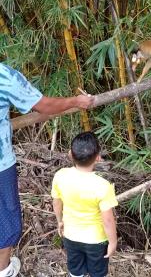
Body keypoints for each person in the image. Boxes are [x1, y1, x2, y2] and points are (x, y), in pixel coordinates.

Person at [0, 63, 94, 277]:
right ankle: (3, 270)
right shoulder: (3, 76)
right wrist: (77, 101)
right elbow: (44, 105)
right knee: (4, 220)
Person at [51, 132, 118, 277]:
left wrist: (60, 221)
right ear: (98, 157)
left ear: (70, 154)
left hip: (70, 236)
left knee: (75, 270)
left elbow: (56, 202)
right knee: (98, 272)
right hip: (96, 241)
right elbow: (107, 220)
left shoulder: (60, 176)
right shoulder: (103, 186)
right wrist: (113, 242)